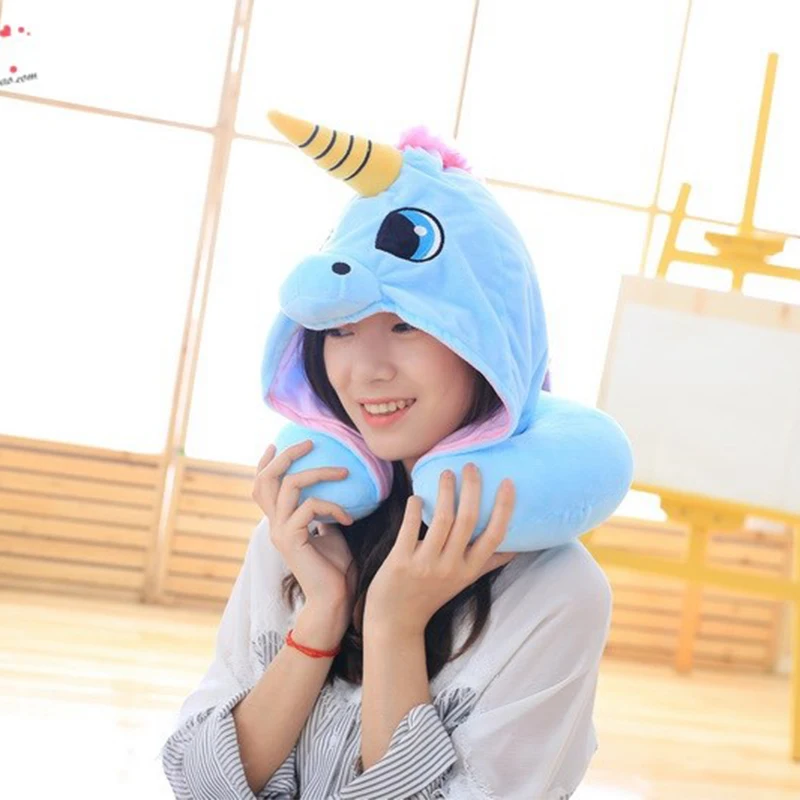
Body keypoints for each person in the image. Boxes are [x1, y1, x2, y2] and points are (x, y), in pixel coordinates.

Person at [160, 112, 626, 800]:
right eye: (341, 331)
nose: (367, 371)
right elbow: (201, 784)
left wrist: (394, 626)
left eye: (406, 326)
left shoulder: (559, 593)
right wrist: (323, 613)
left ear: (488, 344)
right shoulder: (302, 532)